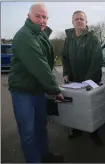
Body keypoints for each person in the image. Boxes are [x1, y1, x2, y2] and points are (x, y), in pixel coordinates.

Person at [8, 3, 64, 163]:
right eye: (37, 16)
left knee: (41, 126)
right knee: (28, 132)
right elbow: (40, 66)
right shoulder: (25, 36)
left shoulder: (39, 34)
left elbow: (47, 64)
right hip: (23, 91)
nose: (41, 20)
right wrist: (55, 90)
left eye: (44, 17)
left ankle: (45, 155)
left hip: (38, 89)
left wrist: (50, 87)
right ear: (29, 17)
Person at [62, 10, 103, 144]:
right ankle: (77, 130)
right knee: (75, 106)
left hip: (90, 81)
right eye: (76, 19)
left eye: (81, 19)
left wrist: (88, 81)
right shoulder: (68, 39)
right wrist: (66, 73)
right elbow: (65, 57)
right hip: (74, 81)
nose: (79, 21)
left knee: (92, 107)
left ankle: (94, 132)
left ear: (86, 22)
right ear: (72, 22)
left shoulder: (93, 38)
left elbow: (96, 60)